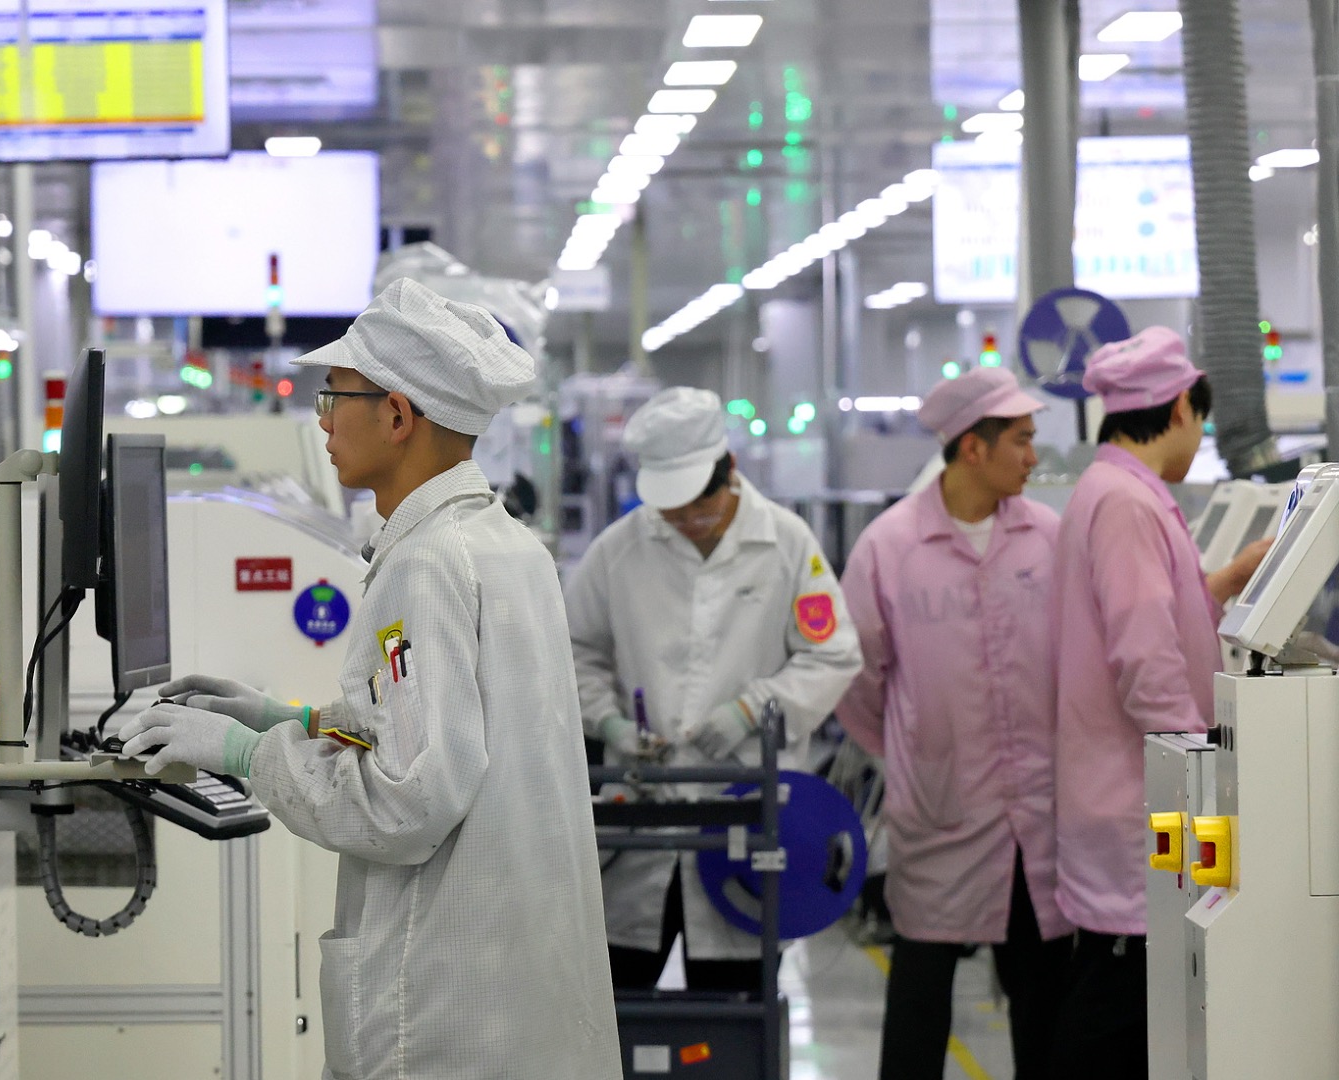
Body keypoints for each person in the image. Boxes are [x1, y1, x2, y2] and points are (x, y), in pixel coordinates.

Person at [117, 279, 623, 1080]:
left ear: (396, 415)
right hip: (511, 986)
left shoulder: (427, 563)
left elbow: (406, 801)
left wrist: (245, 755)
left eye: (335, 396)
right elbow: (449, 730)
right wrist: (290, 720)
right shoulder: (505, 544)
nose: (322, 419)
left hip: (445, 1009)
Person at [564, 386, 862, 993]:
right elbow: (572, 650)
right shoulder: (620, 550)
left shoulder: (786, 545)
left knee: (733, 1012)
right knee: (615, 1008)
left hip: (744, 818)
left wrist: (754, 709)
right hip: (639, 819)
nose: (684, 521)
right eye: (671, 510)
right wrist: (608, 721)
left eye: (698, 506)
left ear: (729, 471)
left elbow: (833, 654)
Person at [1048, 327, 1272, 1078]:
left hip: (1128, 795)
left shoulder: (1114, 492)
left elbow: (1151, 618)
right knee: (1117, 1010)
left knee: (1124, 1003)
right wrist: (1207, 774)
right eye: (1200, 420)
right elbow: (1145, 661)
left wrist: (1226, 580)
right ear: (1180, 407)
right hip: (1140, 803)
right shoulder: (1125, 502)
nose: (1200, 437)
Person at [838, 368, 1073, 1080]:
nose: (1033, 456)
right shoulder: (890, 549)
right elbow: (858, 680)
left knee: (1044, 1003)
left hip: (1038, 817)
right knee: (920, 999)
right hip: (940, 812)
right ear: (974, 447)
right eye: (1021, 440)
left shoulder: (1048, 537)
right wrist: (916, 751)